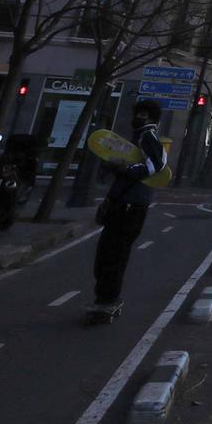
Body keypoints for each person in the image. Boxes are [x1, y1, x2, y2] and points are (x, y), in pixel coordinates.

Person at [91, 100, 166, 316]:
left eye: (142, 115)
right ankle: (104, 296)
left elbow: (156, 165)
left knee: (114, 255)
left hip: (131, 207)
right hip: (121, 204)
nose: (138, 118)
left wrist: (127, 168)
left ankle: (108, 299)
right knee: (106, 255)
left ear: (150, 117)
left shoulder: (147, 137)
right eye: (137, 114)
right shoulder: (137, 138)